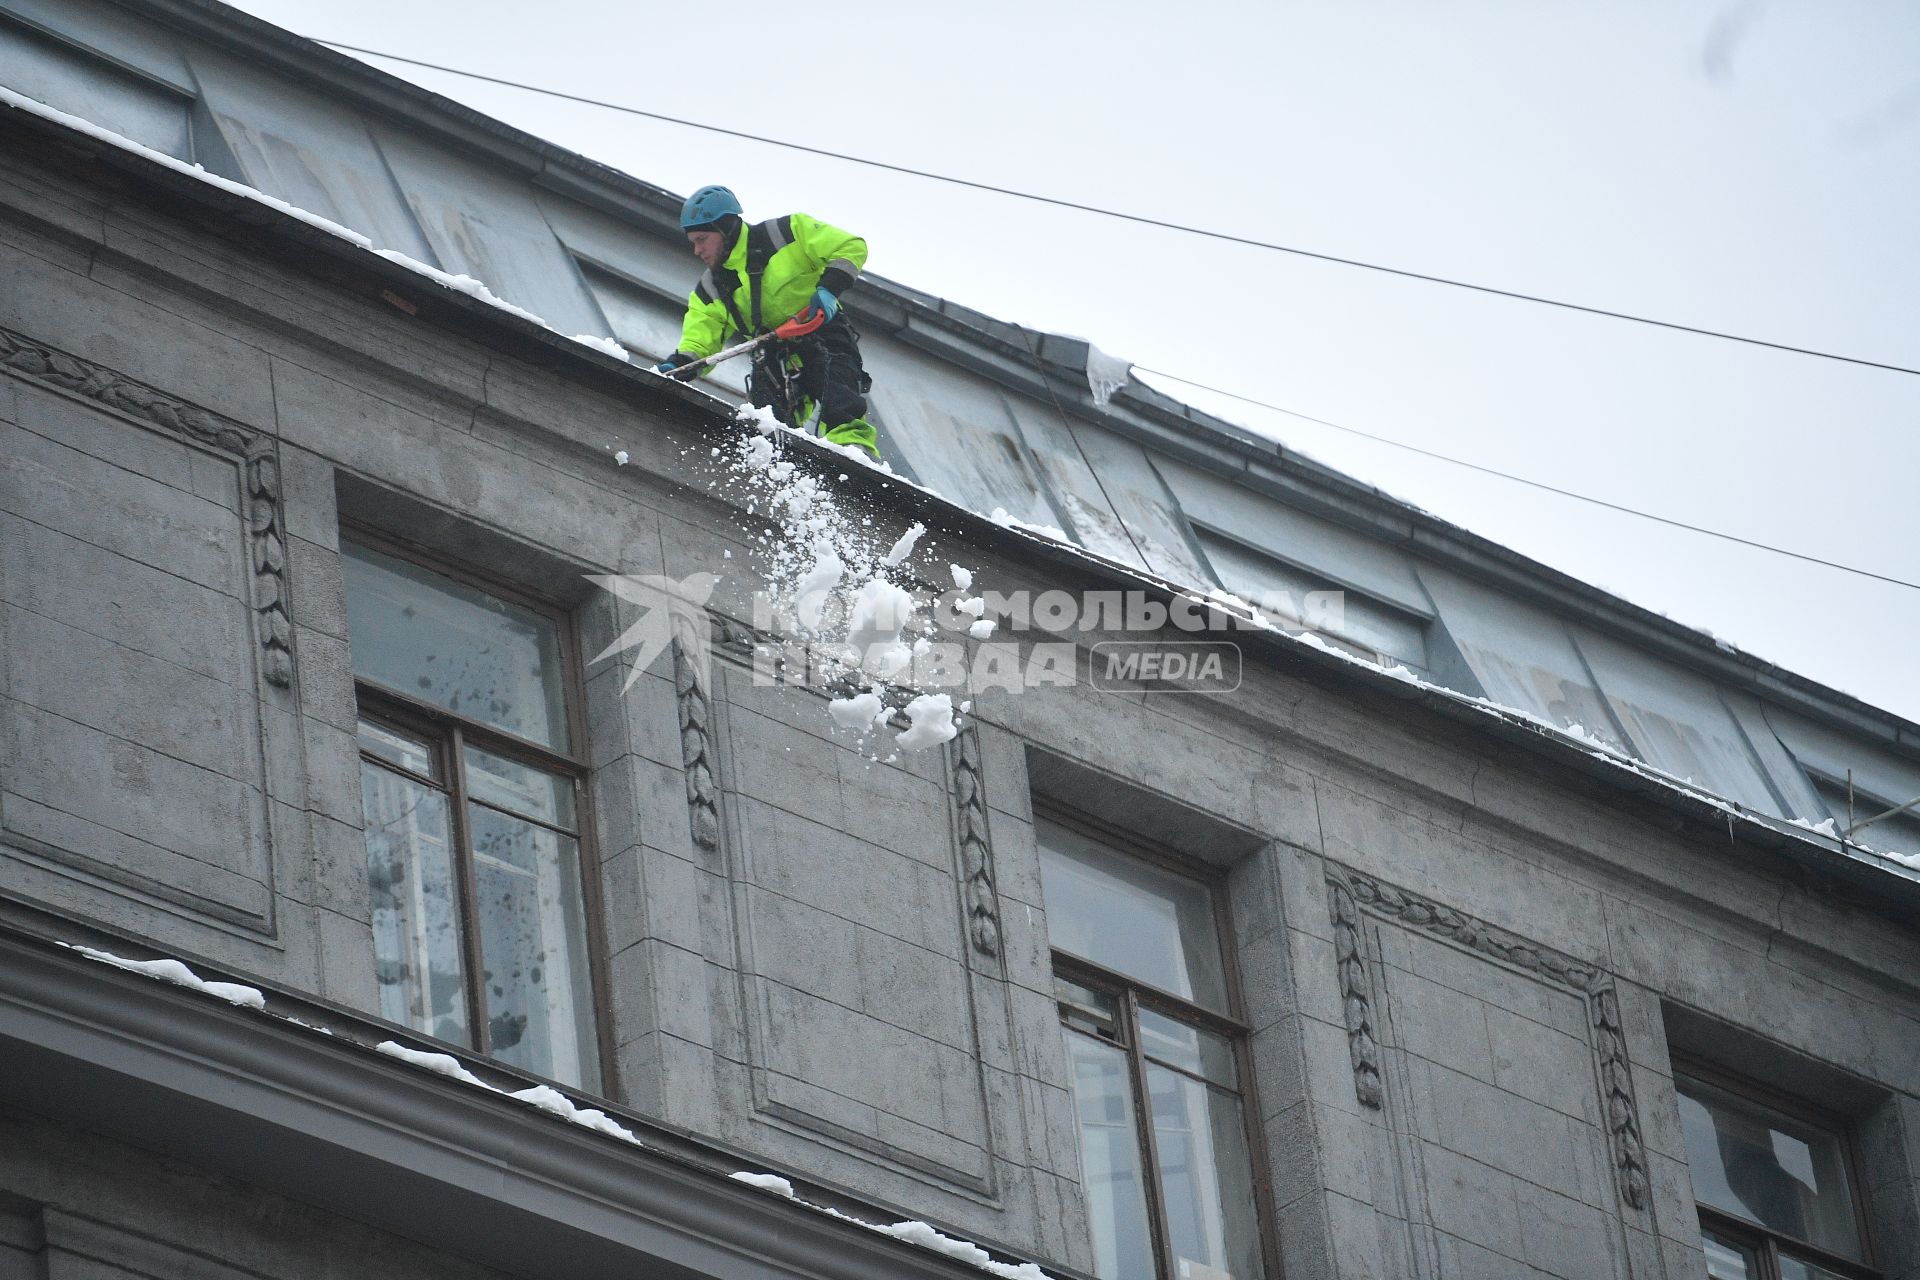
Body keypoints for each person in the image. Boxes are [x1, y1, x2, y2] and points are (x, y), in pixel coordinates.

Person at [655, 186, 878, 458]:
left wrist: (829, 289)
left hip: (821, 330)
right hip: (773, 356)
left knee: (839, 396)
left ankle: (854, 451)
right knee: (765, 421)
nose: (697, 250)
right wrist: (680, 364)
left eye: (702, 239)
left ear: (726, 228)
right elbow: (699, 340)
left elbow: (850, 246)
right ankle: (775, 465)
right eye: (693, 242)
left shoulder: (786, 233)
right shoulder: (711, 289)